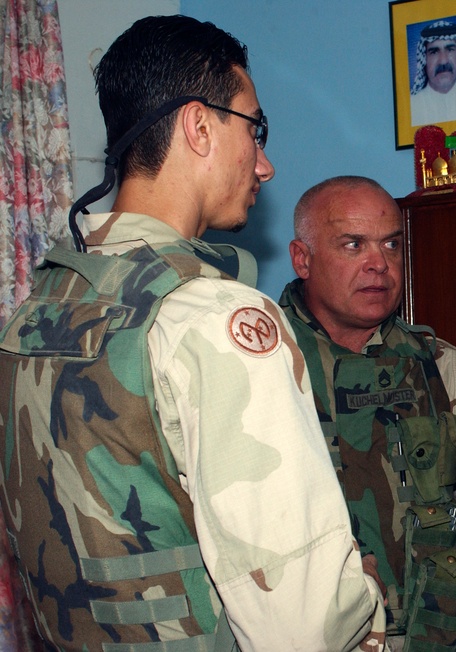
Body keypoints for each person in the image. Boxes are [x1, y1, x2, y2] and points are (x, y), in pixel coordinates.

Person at [0, 15, 385, 652]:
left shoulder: (35, 314)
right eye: (255, 129)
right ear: (199, 125)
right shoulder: (213, 319)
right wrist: (361, 594)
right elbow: (301, 627)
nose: (264, 165)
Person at [279, 176, 456, 651]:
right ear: (302, 258)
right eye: (353, 245)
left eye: (391, 245)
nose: (379, 265)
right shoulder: (260, 364)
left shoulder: (439, 367)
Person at [410, 19, 456, 127]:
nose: (443, 60)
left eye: (450, 49)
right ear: (424, 59)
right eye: (434, 52)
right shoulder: (412, 105)